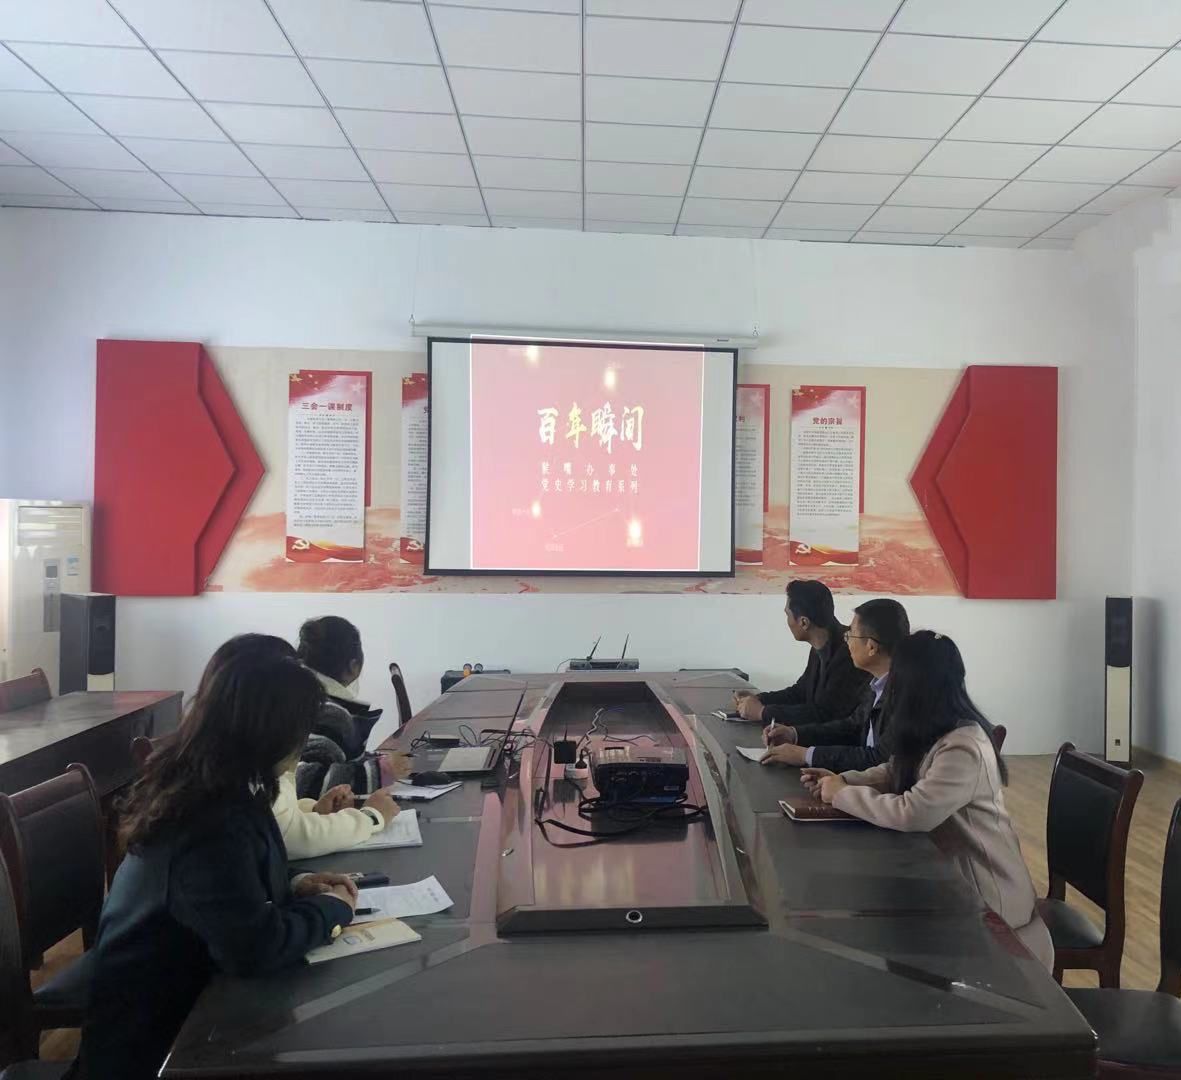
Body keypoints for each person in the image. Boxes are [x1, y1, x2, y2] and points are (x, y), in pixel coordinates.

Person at [68, 644, 360, 1080]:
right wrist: (334, 910)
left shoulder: (219, 782)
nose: (303, 741)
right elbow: (253, 948)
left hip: (190, 1013)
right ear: (270, 730)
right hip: (155, 1053)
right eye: (300, 727)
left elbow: (232, 887)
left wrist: (295, 884)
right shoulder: (207, 818)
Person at [802, 631, 1053, 971]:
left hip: (991, 908)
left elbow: (913, 812)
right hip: (950, 885)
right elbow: (894, 770)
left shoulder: (964, 746)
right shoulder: (936, 730)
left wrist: (843, 794)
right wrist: (844, 779)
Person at [760, 598, 909, 771]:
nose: (847, 641)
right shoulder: (876, 684)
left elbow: (878, 759)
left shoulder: (905, 695)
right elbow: (851, 727)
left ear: (871, 647)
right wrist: (794, 734)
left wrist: (805, 755)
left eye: (851, 634)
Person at [734, 579, 869, 728]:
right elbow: (800, 692)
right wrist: (758, 699)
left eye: (788, 615)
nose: (787, 621)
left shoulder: (849, 654)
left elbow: (825, 714)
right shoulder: (820, 646)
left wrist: (763, 712)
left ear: (804, 622)